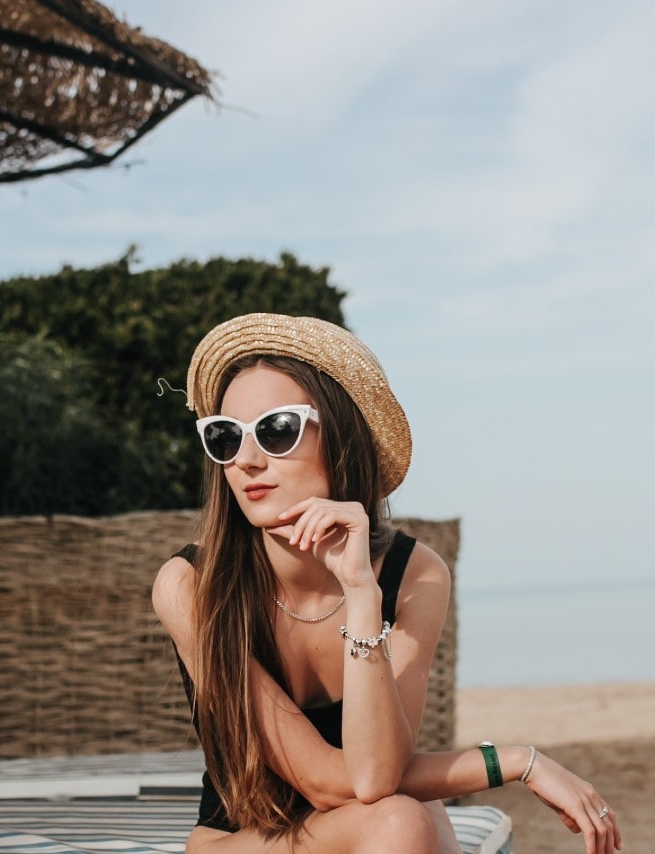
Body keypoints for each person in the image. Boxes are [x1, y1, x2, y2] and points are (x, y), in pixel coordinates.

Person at [153, 313, 622, 853]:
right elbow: (328, 781)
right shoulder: (191, 586)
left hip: (375, 816)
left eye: (277, 429)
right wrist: (517, 761)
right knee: (401, 820)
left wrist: (360, 592)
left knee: (408, 816)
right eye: (226, 436)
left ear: (342, 437)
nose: (248, 460)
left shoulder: (414, 575)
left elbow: (378, 772)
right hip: (243, 841)